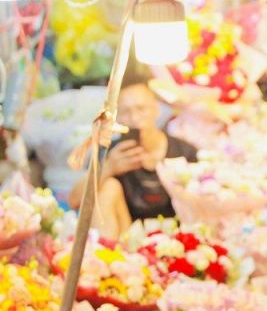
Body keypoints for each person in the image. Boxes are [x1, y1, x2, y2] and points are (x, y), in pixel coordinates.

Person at [68, 79, 197, 239]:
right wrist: (109, 167)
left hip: (177, 236)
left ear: (156, 109)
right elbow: (73, 200)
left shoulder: (184, 151)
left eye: (141, 109)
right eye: (126, 112)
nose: (135, 117)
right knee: (108, 186)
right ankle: (108, 255)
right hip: (126, 236)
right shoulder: (109, 152)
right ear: (118, 117)